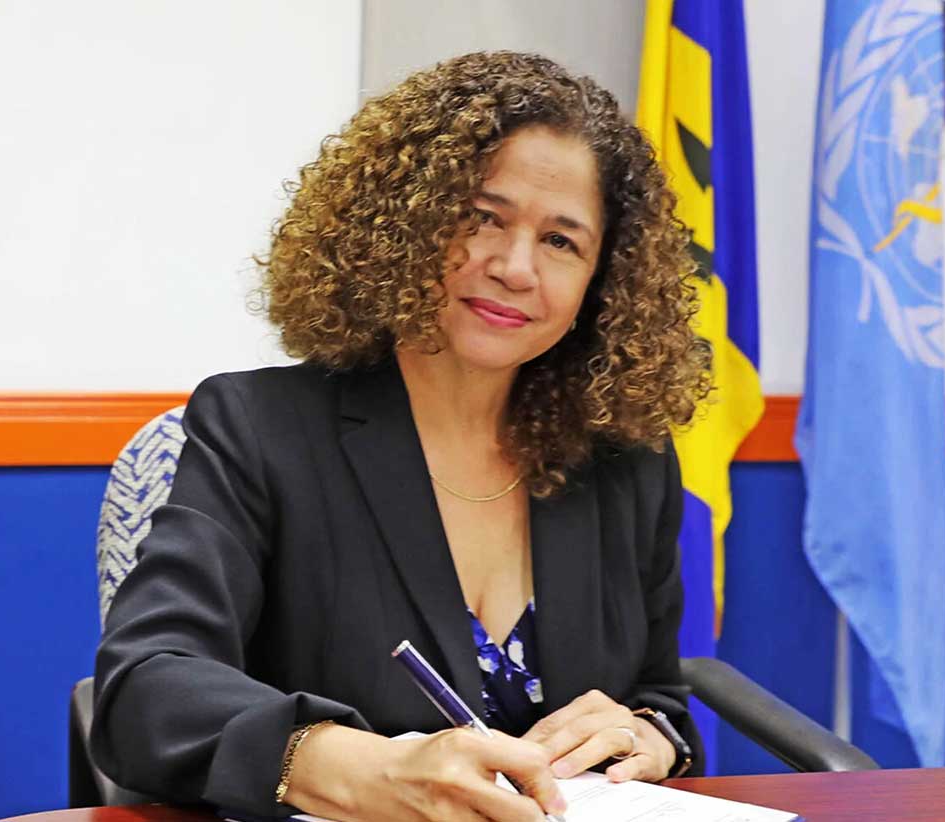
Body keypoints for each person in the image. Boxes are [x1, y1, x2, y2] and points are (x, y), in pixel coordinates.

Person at [91, 51, 711, 821]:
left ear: (602, 282)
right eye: (483, 217)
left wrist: (647, 734)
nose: (516, 267)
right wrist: (354, 769)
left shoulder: (625, 459)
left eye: (562, 241)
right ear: (405, 223)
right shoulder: (258, 429)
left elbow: (659, 695)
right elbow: (145, 690)